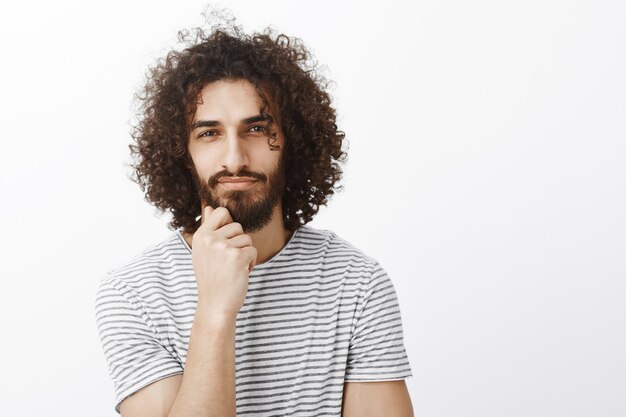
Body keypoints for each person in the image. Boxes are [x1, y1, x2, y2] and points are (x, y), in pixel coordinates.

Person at [94, 15, 414, 417]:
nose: (234, 158)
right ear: (181, 152)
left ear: (293, 140)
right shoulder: (134, 294)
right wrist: (214, 310)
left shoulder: (357, 284)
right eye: (209, 133)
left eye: (257, 129)